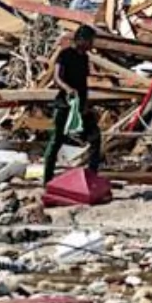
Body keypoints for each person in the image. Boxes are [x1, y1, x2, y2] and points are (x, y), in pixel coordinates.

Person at [43, 25, 102, 184]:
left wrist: (86, 104)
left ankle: (92, 177)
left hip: (80, 105)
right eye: (90, 41)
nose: (92, 44)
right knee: (56, 141)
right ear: (81, 39)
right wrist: (68, 89)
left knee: (95, 137)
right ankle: (47, 180)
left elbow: (83, 83)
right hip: (64, 104)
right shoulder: (65, 54)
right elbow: (57, 77)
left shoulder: (84, 58)